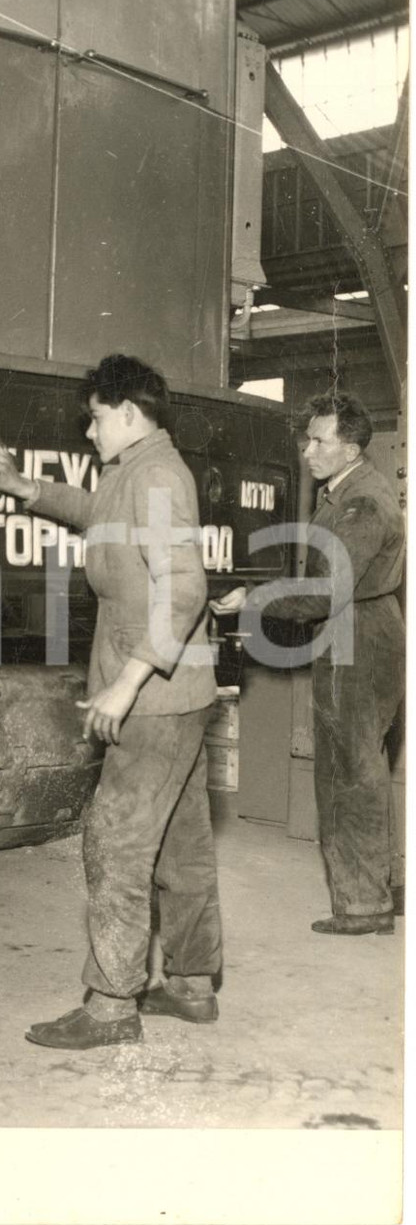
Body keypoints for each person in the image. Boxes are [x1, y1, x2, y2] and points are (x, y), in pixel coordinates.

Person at [0, 353, 221, 1050]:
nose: (89, 431)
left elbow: (187, 589)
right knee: (180, 838)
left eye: (96, 417)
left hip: (156, 693)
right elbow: (97, 513)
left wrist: (127, 680)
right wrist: (25, 485)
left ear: (130, 415)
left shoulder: (161, 476)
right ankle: (194, 982)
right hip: (179, 687)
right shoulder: (131, 470)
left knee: (115, 838)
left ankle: (112, 1002)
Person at [211, 391, 404, 937]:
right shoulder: (341, 492)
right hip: (355, 630)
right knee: (359, 763)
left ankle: (364, 905)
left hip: (356, 637)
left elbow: (326, 590)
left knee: (350, 770)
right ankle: (376, 890)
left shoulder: (362, 502)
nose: (308, 448)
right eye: (308, 437)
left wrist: (254, 597)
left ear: (351, 446)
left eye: (320, 439)